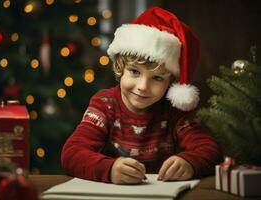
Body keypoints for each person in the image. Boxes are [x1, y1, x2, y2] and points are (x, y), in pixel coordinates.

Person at [61, 6, 222, 184]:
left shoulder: (174, 110)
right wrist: (109, 169)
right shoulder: (104, 104)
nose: (143, 87)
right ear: (120, 69)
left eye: (157, 78)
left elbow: (210, 149)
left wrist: (189, 163)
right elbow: (71, 153)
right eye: (135, 72)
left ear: (170, 83)